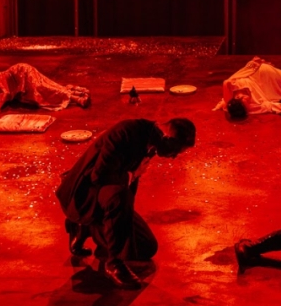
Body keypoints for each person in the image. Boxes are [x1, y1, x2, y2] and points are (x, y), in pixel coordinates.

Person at [56, 117, 197, 289]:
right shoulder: (125, 133)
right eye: (176, 151)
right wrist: (132, 175)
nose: (173, 157)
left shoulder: (152, 140)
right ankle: (114, 263)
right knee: (120, 194)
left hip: (109, 198)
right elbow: (99, 176)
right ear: (168, 139)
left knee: (146, 247)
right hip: (85, 194)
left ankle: (86, 227)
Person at [0, 63, 91, 121]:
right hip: (17, 91)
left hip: (19, 74)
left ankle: (76, 98)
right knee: (44, 92)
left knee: (41, 88)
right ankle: (76, 93)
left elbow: (3, 91)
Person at [214, 57, 281, 120]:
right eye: (247, 104)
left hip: (262, 73)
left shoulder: (231, 90)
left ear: (237, 98)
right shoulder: (250, 107)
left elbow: (226, 82)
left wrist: (252, 65)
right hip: (268, 87)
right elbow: (270, 106)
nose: (248, 100)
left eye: (245, 100)